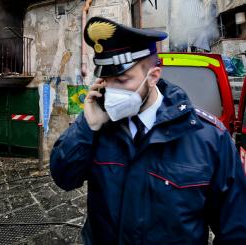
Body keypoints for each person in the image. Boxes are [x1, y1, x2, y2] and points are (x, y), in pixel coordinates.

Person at [50, 16, 246, 244]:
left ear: (153, 76)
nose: (111, 91)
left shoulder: (209, 138)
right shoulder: (99, 127)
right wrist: (87, 125)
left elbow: (235, 230)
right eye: (106, 80)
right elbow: (63, 177)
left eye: (122, 80)